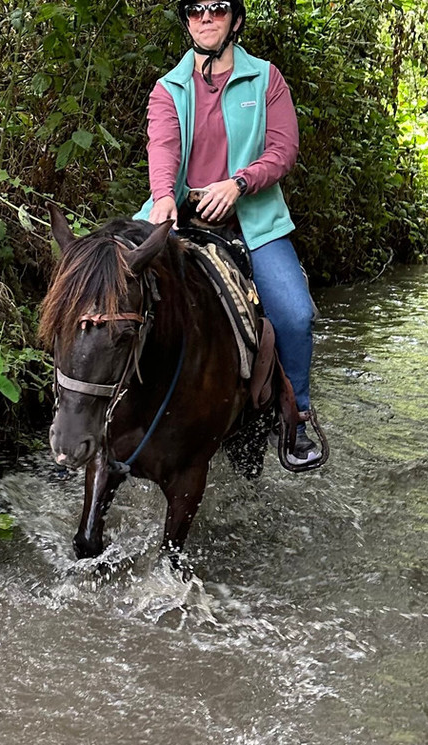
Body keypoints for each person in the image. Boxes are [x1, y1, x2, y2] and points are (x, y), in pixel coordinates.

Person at [135, 0, 321, 467]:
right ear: (187, 20)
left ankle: (296, 417)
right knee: (108, 287)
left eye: (216, 8)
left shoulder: (266, 79)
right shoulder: (168, 88)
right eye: (195, 10)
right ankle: (95, 413)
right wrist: (162, 197)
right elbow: (163, 146)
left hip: (252, 219)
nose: (205, 18)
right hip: (177, 213)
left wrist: (239, 184)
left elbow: (283, 149)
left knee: (295, 316)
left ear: (234, 19)